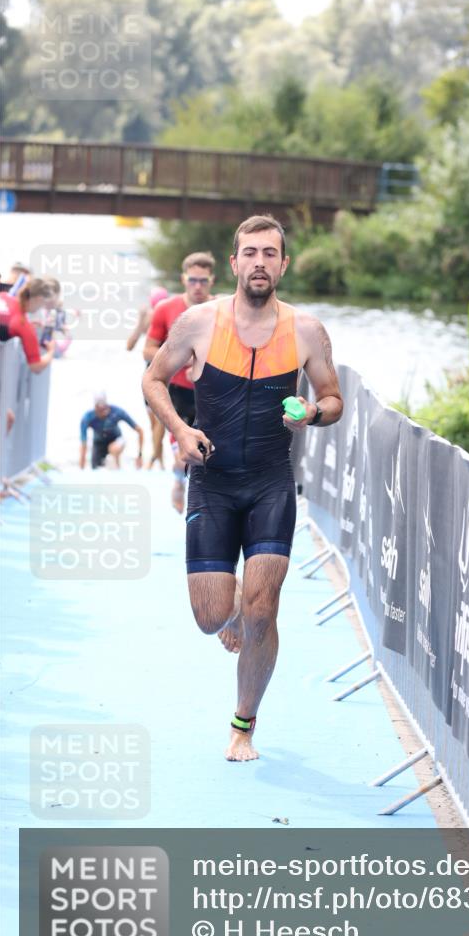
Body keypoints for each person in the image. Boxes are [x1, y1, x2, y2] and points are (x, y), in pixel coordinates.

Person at [143, 214, 343, 762]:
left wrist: (313, 414)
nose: (259, 262)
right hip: (212, 481)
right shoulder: (198, 322)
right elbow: (153, 379)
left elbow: (333, 398)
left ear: (283, 264)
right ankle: (229, 609)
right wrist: (180, 431)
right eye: (249, 253)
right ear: (234, 263)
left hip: (272, 483)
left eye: (269, 253)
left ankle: (243, 724)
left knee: (262, 610)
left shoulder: (306, 331)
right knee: (212, 617)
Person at [144, 256, 216, 510]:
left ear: (212, 281)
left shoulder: (222, 309)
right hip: (177, 395)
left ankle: (204, 499)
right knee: (183, 454)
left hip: (209, 396)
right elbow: (148, 350)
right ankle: (178, 480)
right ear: (183, 279)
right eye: (192, 280)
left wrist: (203, 365)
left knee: (211, 455)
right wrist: (182, 361)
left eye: (203, 281)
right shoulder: (166, 309)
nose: (197, 286)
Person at [126, 286, 169, 469]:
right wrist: (140, 322)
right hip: (155, 374)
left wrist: (140, 322)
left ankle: (154, 460)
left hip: (158, 375)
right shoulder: (157, 316)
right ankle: (158, 461)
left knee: (158, 422)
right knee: (156, 424)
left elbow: (130, 345)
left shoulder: (156, 316)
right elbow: (130, 345)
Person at [0, 279, 56, 373]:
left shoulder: (3, 295)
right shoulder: (23, 324)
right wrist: (51, 352)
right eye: (43, 303)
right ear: (39, 299)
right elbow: (36, 367)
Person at [79, 393, 144, 470]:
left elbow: (140, 431)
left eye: (104, 409)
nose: (103, 412)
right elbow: (83, 445)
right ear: (95, 408)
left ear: (107, 406)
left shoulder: (117, 412)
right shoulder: (87, 417)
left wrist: (139, 455)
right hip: (99, 443)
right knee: (95, 468)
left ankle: (117, 467)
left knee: (113, 448)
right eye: (99, 410)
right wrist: (81, 469)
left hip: (116, 439)